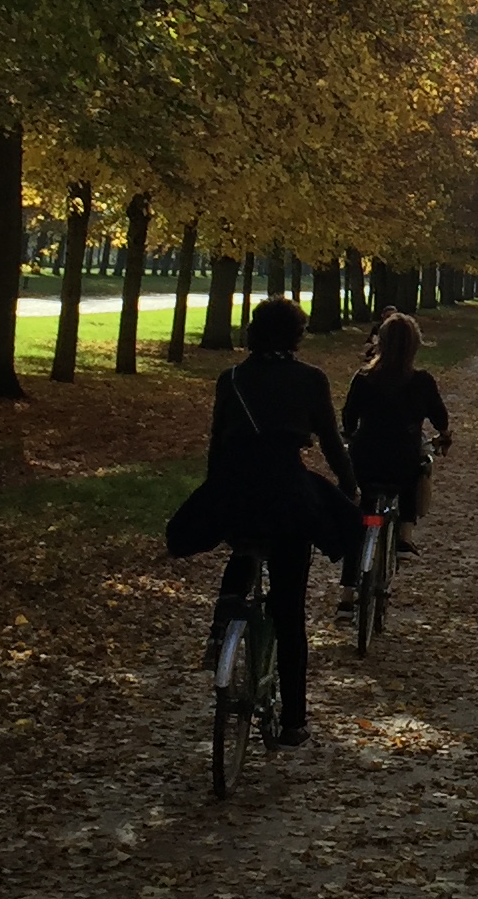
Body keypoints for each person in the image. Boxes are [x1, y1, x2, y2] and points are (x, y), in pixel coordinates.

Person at [165, 295, 353, 744]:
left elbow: (218, 443)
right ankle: (294, 721)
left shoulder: (231, 379)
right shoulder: (311, 379)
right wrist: (349, 487)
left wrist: (217, 492)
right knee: (289, 610)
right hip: (287, 494)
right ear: (295, 336)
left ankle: (223, 620)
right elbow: (330, 440)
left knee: (243, 542)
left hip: (237, 490)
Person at [342, 313, 451, 609]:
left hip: (366, 458)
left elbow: (349, 418)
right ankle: (404, 533)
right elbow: (440, 418)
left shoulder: (364, 379)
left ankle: (346, 596)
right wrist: (444, 435)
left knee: (360, 519)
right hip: (403, 457)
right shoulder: (421, 381)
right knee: (419, 467)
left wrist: (350, 435)